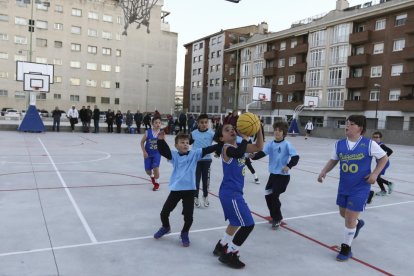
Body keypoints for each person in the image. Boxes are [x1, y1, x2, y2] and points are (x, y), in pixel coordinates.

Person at [317, 115, 388, 262]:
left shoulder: (369, 144)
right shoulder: (339, 144)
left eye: (351, 124)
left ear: (360, 128)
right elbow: (333, 160)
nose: (347, 126)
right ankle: (357, 224)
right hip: (344, 186)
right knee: (344, 214)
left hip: (360, 187)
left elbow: (384, 158)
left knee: (349, 218)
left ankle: (345, 249)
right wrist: (324, 171)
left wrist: (375, 173)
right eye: (346, 124)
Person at [153, 132, 220, 247]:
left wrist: (222, 143)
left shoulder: (194, 154)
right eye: (182, 143)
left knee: (189, 217)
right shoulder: (174, 156)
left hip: (190, 190)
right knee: (164, 213)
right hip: (176, 190)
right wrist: (160, 140)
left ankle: (184, 232)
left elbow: (208, 149)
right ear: (176, 145)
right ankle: (165, 227)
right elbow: (164, 151)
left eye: (187, 143)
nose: (185, 145)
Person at [212, 123, 264, 269]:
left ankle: (221, 245)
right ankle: (229, 253)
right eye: (227, 130)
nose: (232, 131)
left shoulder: (237, 147)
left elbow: (259, 147)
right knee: (248, 225)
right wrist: (246, 138)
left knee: (235, 222)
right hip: (231, 194)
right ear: (222, 138)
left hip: (231, 192)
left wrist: (258, 128)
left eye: (232, 129)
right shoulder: (227, 148)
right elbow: (240, 153)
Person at [251, 121, 299, 229]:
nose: (277, 132)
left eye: (280, 130)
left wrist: (289, 166)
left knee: (274, 195)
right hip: (273, 176)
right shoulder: (271, 144)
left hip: (283, 176)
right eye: (276, 130)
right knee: (268, 196)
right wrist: (253, 156)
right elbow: (262, 153)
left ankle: (277, 218)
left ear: (284, 133)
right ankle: (273, 216)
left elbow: (296, 157)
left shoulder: (287, 144)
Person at [190, 114, 215, 208]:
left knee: (206, 180)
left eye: (206, 122)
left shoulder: (211, 133)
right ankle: (195, 196)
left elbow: (219, 143)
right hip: (196, 160)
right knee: (196, 180)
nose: (204, 124)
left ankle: (205, 196)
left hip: (207, 160)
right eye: (202, 122)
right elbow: (187, 143)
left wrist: (218, 152)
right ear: (198, 123)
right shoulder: (193, 133)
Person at [367, 131, 394, 203]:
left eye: (377, 137)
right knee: (377, 177)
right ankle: (385, 188)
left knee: (377, 176)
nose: (375, 139)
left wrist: (384, 158)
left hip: (384, 163)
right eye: (374, 137)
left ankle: (387, 186)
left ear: (380, 138)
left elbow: (390, 151)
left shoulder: (381, 145)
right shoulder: (374, 145)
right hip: (379, 163)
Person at [140, 117, 162, 191]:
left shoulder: (161, 133)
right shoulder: (148, 132)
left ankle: (157, 183)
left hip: (157, 153)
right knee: (148, 171)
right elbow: (142, 142)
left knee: (156, 168)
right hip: (148, 154)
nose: (158, 124)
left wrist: (166, 154)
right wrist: (144, 152)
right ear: (152, 124)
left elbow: (164, 145)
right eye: (156, 122)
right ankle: (152, 176)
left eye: (159, 123)